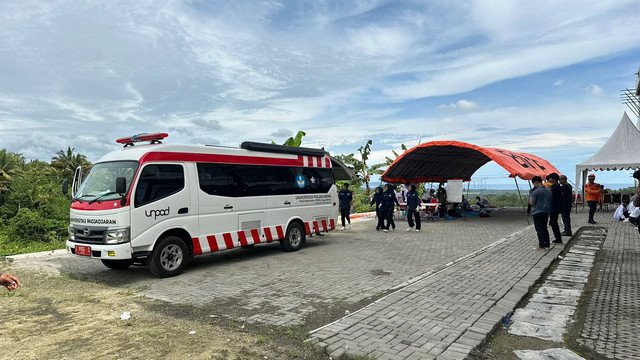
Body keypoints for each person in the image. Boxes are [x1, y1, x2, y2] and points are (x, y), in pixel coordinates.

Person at [530, 176, 552, 250]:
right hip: (546, 212)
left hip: (537, 212)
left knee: (539, 229)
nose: (534, 185)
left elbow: (532, 203)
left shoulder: (535, 192)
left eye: (534, 184)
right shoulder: (548, 191)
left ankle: (541, 246)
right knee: (545, 228)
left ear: (536, 182)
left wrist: (530, 199)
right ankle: (547, 244)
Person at [547, 173, 563, 244]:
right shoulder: (557, 186)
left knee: (554, 223)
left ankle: (558, 238)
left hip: (554, 207)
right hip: (556, 207)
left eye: (550, 178)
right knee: (554, 223)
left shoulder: (555, 187)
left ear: (553, 179)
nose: (549, 179)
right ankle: (558, 238)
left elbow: (551, 196)